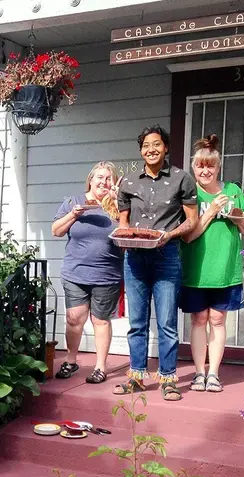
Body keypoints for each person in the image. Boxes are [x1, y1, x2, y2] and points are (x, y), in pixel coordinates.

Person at [114, 124, 198, 402]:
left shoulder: (181, 179)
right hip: (135, 258)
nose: (151, 149)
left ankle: (169, 379)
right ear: (141, 150)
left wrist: (169, 235)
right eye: (146, 145)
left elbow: (192, 220)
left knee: (166, 322)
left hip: (167, 257)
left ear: (166, 148)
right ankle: (137, 377)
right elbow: (124, 223)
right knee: (137, 322)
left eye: (157, 144)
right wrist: (124, 238)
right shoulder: (128, 182)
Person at [181, 134, 244, 393]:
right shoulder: (190, 194)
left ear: (218, 167)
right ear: (194, 168)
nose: (205, 170)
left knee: (218, 319)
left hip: (225, 269)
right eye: (200, 165)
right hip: (196, 269)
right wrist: (211, 211)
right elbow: (188, 235)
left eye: (210, 165)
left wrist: (236, 217)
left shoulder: (233, 191)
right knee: (199, 318)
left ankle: (214, 374)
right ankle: (198, 373)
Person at [51, 161, 124, 384]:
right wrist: (74, 214)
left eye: (108, 178)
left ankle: (100, 367)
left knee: (100, 320)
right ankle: (71, 361)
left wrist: (118, 203)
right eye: (99, 177)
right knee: (75, 319)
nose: (104, 181)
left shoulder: (119, 205)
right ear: (90, 180)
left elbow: (127, 234)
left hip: (107, 274)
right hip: (76, 273)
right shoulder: (74, 202)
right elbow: (56, 230)